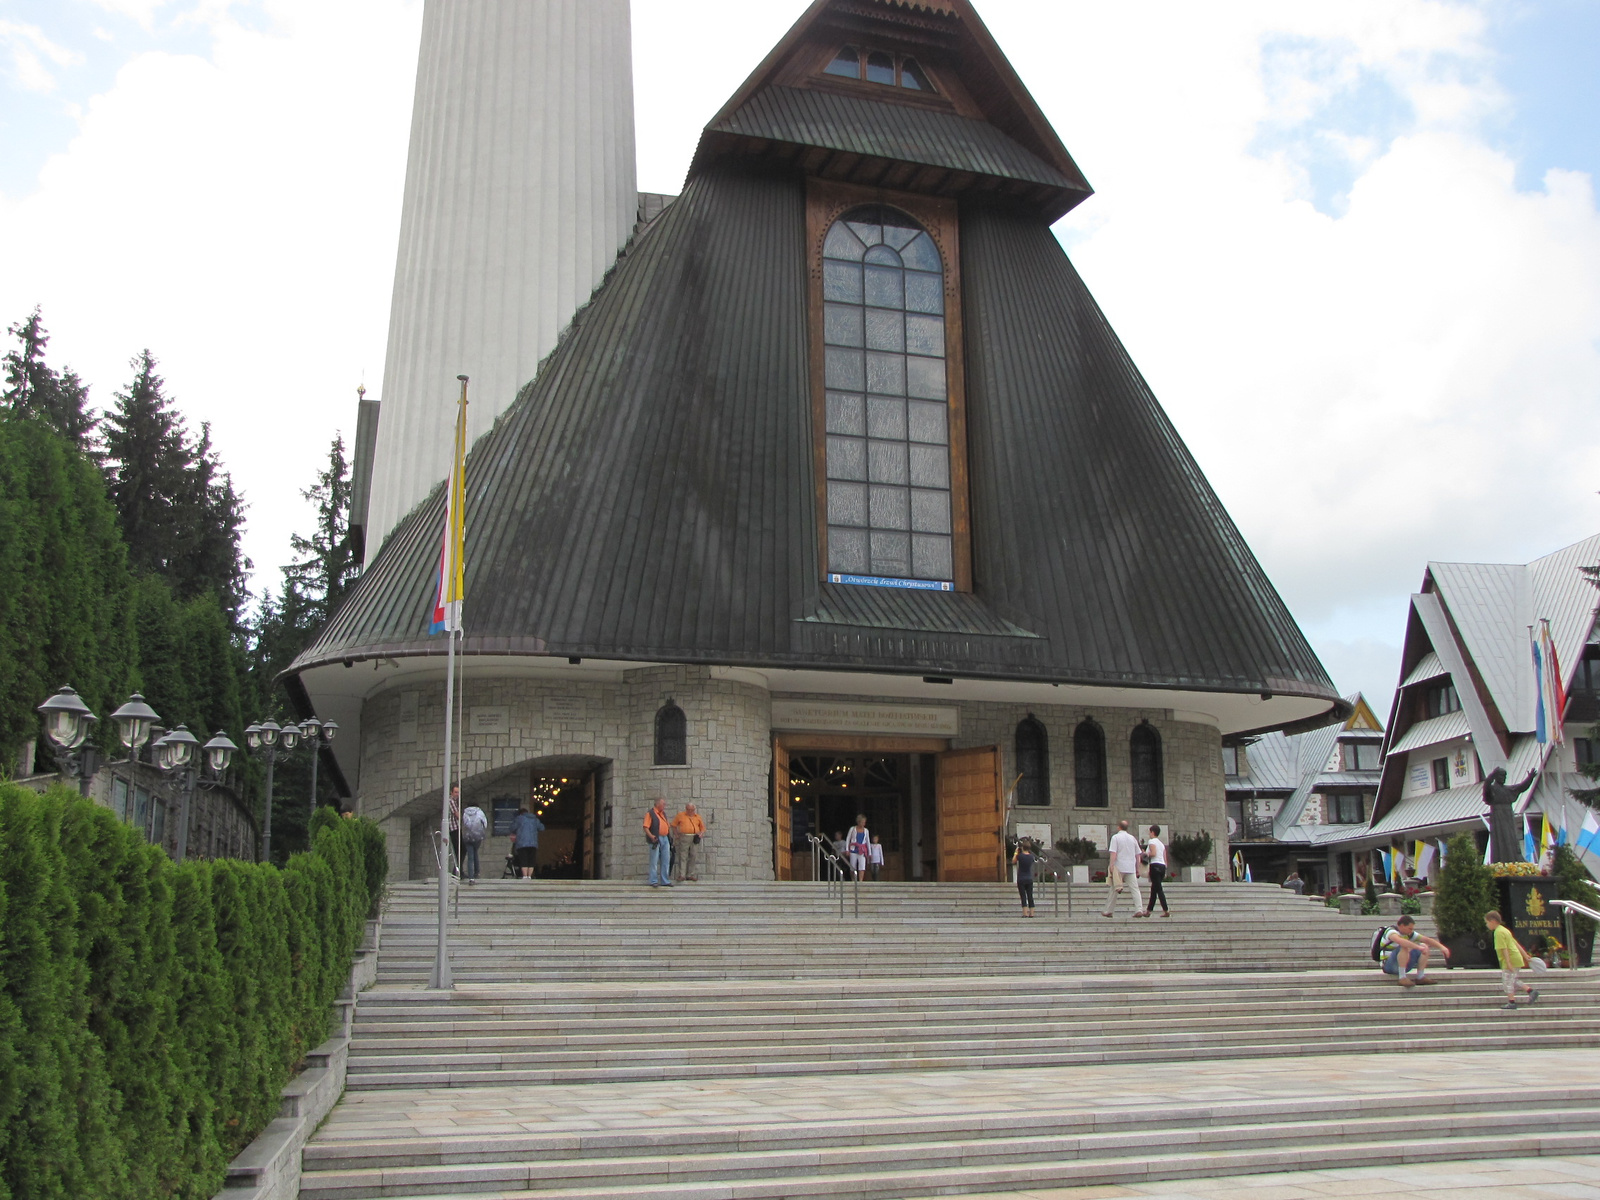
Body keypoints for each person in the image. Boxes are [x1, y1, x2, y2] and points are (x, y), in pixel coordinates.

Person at [1486, 909, 1539, 1010]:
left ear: (1492, 921)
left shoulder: (1498, 932)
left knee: (1507, 981)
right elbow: (1515, 943)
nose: (1487, 925)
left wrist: (1508, 963)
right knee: (1513, 979)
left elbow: (1504, 948)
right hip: (1516, 958)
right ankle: (1531, 991)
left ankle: (1512, 1002)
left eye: (1487, 922)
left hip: (1510, 959)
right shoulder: (1505, 930)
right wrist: (1525, 955)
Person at [1378, 914, 1449, 986]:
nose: (1411, 931)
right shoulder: (1391, 932)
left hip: (1405, 965)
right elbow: (1400, 941)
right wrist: (1417, 947)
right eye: (1410, 928)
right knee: (1404, 946)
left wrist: (1442, 947)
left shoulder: (1409, 934)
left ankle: (1420, 977)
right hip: (1389, 966)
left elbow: (1426, 940)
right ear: (1402, 926)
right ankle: (1402, 978)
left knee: (1424, 946)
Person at [1102, 820, 1143, 918]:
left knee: (1114, 888)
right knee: (1135, 889)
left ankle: (1109, 910)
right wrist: (1138, 868)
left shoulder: (1115, 838)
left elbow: (1113, 853)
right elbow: (1138, 855)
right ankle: (1139, 909)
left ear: (1118, 827)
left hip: (1119, 867)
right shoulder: (1132, 838)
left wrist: (1111, 866)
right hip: (1130, 867)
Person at [1138, 825, 1170, 918]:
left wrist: (1145, 853)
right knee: (1154, 889)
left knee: (1158, 889)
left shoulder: (1152, 841)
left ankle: (1166, 909)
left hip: (1155, 865)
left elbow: (1153, 853)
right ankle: (1149, 910)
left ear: (1152, 832)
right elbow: (1164, 857)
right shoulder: (1161, 844)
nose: (1149, 834)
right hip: (1162, 866)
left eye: (1149, 832)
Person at [509, 799, 544, 881]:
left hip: (522, 843)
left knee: (524, 859)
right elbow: (542, 828)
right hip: (533, 843)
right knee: (531, 859)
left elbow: (512, 828)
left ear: (520, 813)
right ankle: (529, 876)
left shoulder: (519, 819)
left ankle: (525, 876)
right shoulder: (535, 819)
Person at [671, 802, 705, 882]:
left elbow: (702, 828)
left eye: (691, 810)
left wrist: (700, 834)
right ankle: (682, 875)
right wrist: (676, 834)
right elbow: (673, 825)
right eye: (688, 809)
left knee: (693, 855)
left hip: (694, 837)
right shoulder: (681, 815)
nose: (690, 811)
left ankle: (690, 874)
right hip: (684, 836)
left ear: (694, 810)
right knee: (683, 855)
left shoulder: (698, 817)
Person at [643, 796, 673, 887]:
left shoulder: (663, 814)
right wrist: (651, 836)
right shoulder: (650, 813)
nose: (664, 805)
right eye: (663, 804)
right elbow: (646, 827)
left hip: (665, 838)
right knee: (654, 860)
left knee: (666, 859)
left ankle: (665, 880)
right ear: (657, 804)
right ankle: (653, 880)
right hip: (656, 839)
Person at [460, 798, 488, 884]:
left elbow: (465, 823)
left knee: (470, 856)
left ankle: (471, 877)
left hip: (468, 836)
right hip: (477, 836)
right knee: (475, 852)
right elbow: (485, 823)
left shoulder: (465, 813)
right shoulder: (480, 812)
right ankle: (477, 872)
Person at [1013, 838, 1036, 917]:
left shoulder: (1020, 856)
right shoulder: (1031, 857)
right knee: (1030, 895)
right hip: (1029, 878)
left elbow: (1013, 861)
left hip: (1021, 878)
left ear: (1022, 847)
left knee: (1023, 896)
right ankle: (1032, 913)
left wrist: (1016, 853)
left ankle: (1025, 913)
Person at [845, 816, 871, 880]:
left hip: (862, 850)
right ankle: (853, 880)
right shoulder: (852, 829)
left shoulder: (866, 831)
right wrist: (847, 849)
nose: (863, 824)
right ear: (858, 822)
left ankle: (860, 881)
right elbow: (848, 839)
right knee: (852, 866)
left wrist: (869, 853)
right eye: (862, 822)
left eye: (864, 822)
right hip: (853, 849)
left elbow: (868, 841)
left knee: (862, 866)